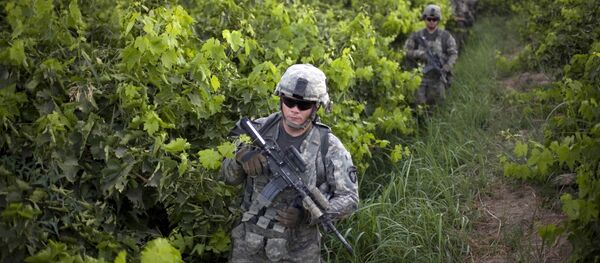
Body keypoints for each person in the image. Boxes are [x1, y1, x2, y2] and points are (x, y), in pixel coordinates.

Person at [221, 64, 359, 262]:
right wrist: (239, 158)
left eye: (303, 105)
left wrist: (308, 213)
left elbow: (350, 198)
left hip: (298, 251)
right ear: (280, 99)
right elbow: (227, 178)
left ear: (316, 106)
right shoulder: (258, 130)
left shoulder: (329, 146)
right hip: (250, 246)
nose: (295, 110)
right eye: (289, 102)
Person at [404, 4, 458, 108]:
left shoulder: (445, 36)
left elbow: (453, 54)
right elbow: (406, 51)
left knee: (437, 107)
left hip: (438, 78)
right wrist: (419, 54)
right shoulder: (416, 36)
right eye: (429, 19)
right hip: (420, 78)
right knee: (418, 108)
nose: (432, 21)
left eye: (435, 19)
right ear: (424, 19)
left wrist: (447, 66)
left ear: (439, 20)